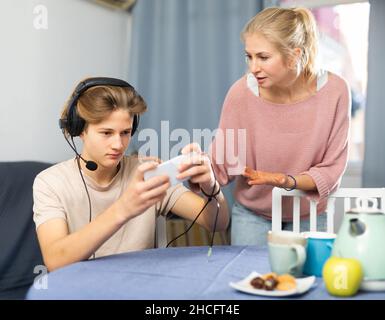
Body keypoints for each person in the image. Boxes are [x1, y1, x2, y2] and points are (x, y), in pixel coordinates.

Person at [33, 77, 229, 271]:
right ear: (80, 130)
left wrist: (210, 187)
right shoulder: (50, 183)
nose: (118, 145)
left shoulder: (147, 172)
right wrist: (125, 208)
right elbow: (55, 260)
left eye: (125, 132)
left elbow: (217, 223)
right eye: (106, 133)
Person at [209, 7, 351, 246]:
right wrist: (197, 167)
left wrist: (286, 181)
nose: (253, 67)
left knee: (308, 281)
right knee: (251, 280)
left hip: (309, 214)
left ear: (294, 55)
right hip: (253, 214)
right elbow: (222, 164)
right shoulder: (241, 93)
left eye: (263, 57)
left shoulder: (335, 91)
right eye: (249, 56)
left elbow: (332, 170)